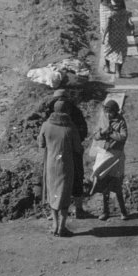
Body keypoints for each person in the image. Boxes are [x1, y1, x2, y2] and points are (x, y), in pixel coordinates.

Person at [38, 99, 83, 237]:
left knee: (53, 194)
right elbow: (78, 149)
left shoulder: (46, 125)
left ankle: (55, 225)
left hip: (51, 165)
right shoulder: (71, 127)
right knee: (64, 195)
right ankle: (62, 227)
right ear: (67, 111)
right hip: (66, 166)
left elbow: (41, 144)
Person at [49, 89, 93, 219]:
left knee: (77, 178)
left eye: (61, 100)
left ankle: (78, 208)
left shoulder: (75, 113)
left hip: (72, 152)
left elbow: (83, 131)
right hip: (57, 152)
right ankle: (55, 211)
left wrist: (73, 140)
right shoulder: (52, 113)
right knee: (56, 180)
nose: (59, 102)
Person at [91, 100, 129, 221]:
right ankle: (105, 211)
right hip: (105, 154)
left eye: (110, 112)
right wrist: (103, 132)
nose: (108, 114)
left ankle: (123, 211)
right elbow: (96, 136)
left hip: (116, 155)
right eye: (107, 112)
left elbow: (123, 137)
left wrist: (111, 133)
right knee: (104, 184)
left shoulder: (121, 121)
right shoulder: (104, 119)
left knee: (117, 184)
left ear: (115, 111)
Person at [92, 0, 129, 78]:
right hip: (104, 6)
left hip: (114, 5)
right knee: (105, 28)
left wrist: (118, 1)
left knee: (108, 34)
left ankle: (110, 65)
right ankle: (108, 67)